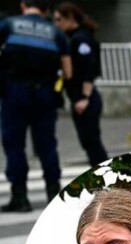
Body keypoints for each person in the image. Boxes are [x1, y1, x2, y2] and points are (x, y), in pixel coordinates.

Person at [0, 0, 71, 212]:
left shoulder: (8, 25)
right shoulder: (55, 33)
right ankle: (53, 194)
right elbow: (68, 72)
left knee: (14, 146)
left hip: (14, 93)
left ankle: (20, 197)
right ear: (46, 9)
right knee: (47, 145)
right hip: (45, 95)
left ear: (23, 5)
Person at [54, 2, 109, 167]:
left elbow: (89, 69)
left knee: (92, 143)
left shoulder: (81, 38)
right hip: (79, 98)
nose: (56, 24)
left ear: (70, 18)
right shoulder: (72, 38)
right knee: (88, 142)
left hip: (85, 99)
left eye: (59, 19)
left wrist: (84, 97)